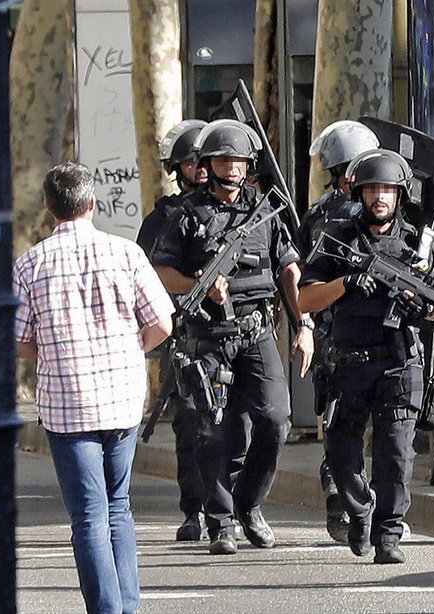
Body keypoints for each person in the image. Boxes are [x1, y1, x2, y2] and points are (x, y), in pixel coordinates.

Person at [13, 161, 174, 614]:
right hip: (122, 400)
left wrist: (54, 349)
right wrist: (131, 350)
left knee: (88, 514)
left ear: (49, 208)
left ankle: (106, 609)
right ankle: (129, 604)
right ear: (92, 203)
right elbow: (162, 322)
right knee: (118, 505)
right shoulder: (126, 254)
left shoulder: (30, 263)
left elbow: (20, 342)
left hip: (68, 404)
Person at [152, 119, 314, 555]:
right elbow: (160, 271)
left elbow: (289, 271)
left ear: (248, 166)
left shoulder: (266, 210)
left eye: (238, 161)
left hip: (257, 332)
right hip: (206, 337)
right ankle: (220, 522)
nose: (230, 169)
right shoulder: (185, 216)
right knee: (210, 430)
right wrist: (197, 284)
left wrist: (304, 325)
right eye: (222, 160)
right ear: (207, 163)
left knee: (275, 419)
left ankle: (249, 503)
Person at [298, 148, 434, 564]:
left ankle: (388, 535)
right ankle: (359, 511)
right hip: (348, 363)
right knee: (342, 455)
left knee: (395, 454)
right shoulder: (338, 239)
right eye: (372, 189)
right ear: (359, 192)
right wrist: (345, 283)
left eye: (387, 190)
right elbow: (305, 298)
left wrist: (423, 306)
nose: (379, 197)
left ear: (400, 194)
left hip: (399, 363)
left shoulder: (418, 245)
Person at [137, 119, 246, 543]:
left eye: (203, 161)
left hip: (233, 331)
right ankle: (194, 510)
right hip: (184, 333)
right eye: (190, 162)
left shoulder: (237, 209)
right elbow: (147, 275)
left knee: (239, 422)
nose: (199, 169)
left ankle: (234, 505)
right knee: (192, 426)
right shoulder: (167, 217)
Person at [300, 120, 380, 543]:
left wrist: (305, 325)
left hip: (332, 335)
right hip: (352, 334)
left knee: (340, 425)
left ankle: (341, 492)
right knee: (356, 424)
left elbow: (300, 277)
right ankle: (349, 497)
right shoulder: (364, 214)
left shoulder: (317, 212)